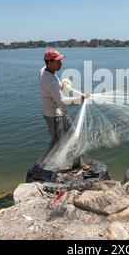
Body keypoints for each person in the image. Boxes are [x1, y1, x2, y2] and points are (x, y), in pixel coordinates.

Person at [26, 48, 89, 181]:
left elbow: (52, 89)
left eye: (61, 60)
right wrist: (80, 99)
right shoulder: (51, 81)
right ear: (50, 62)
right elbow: (63, 102)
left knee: (73, 135)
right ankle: (38, 167)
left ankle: (76, 162)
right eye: (58, 61)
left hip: (57, 112)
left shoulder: (44, 70)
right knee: (56, 142)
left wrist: (61, 85)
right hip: (53, 115)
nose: (61, 63)